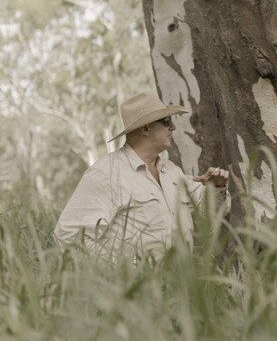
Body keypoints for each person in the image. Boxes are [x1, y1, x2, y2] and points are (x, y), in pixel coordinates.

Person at [54, 92, 230, 262]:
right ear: (145, 128)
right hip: (138, 290)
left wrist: (217, 188)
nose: (173, 127)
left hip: (181, 288)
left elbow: (208, 215)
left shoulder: (171, 171)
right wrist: (123, 273)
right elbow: (68, 236)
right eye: (167, 121)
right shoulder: (107, 173)